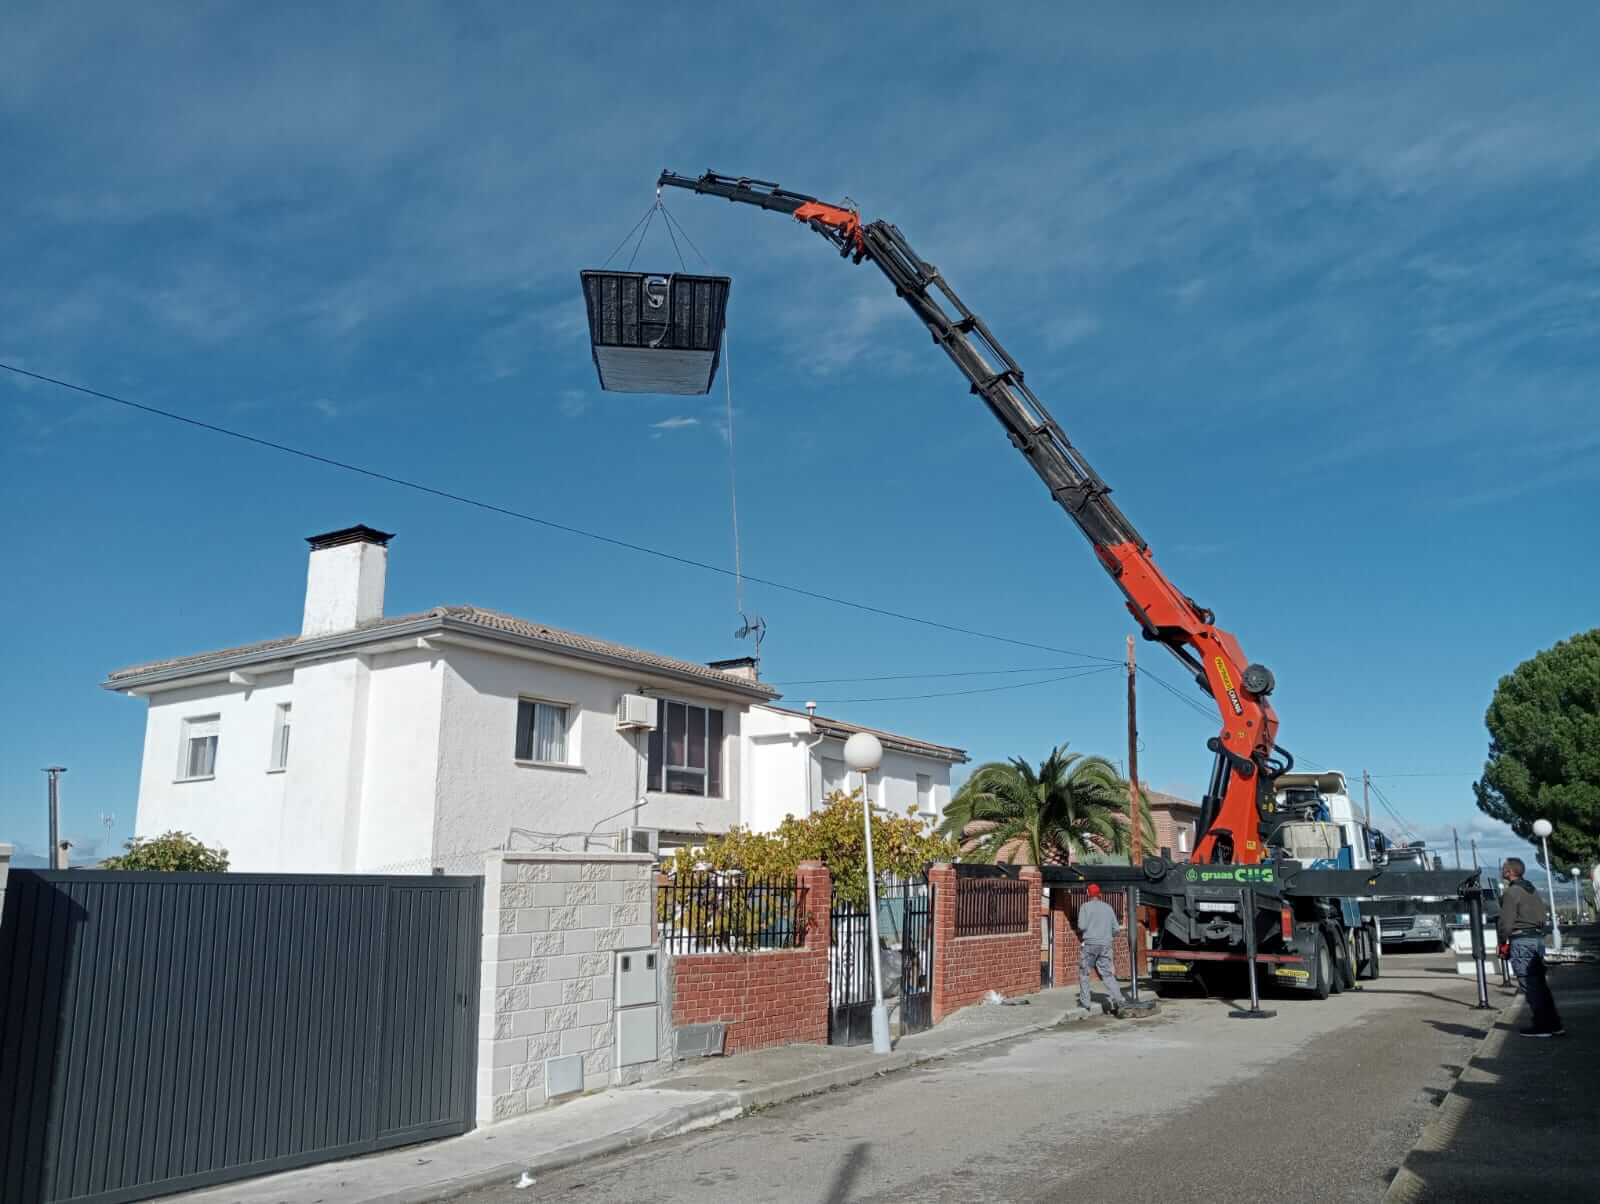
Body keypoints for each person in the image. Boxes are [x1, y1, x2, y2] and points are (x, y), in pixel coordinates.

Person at [1497, 858, 1564, 1037]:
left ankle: (1542, 1026)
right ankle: (1555, 1024)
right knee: (1540, 984)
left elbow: (1506, 923)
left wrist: (1502, 941)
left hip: (1521, 941)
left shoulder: (1511, 893)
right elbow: (1542, 916)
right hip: (1537, 940)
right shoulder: (1532, 890)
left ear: (1509, 872)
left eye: (1504, 868)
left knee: (1530, 985)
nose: (1502, 870)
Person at [1077, 884, 1125, 1015]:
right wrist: (1107, 937)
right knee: (1107, 975)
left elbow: (1081, 926)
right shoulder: (1108, 908)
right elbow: (1116, 929)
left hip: (1090, 944)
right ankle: (1120, 1000)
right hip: (1105, 945)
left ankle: (1085, 1003)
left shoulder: (1085, 907)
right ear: (1099, 894)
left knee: (1084, 973)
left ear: (1088, 893)